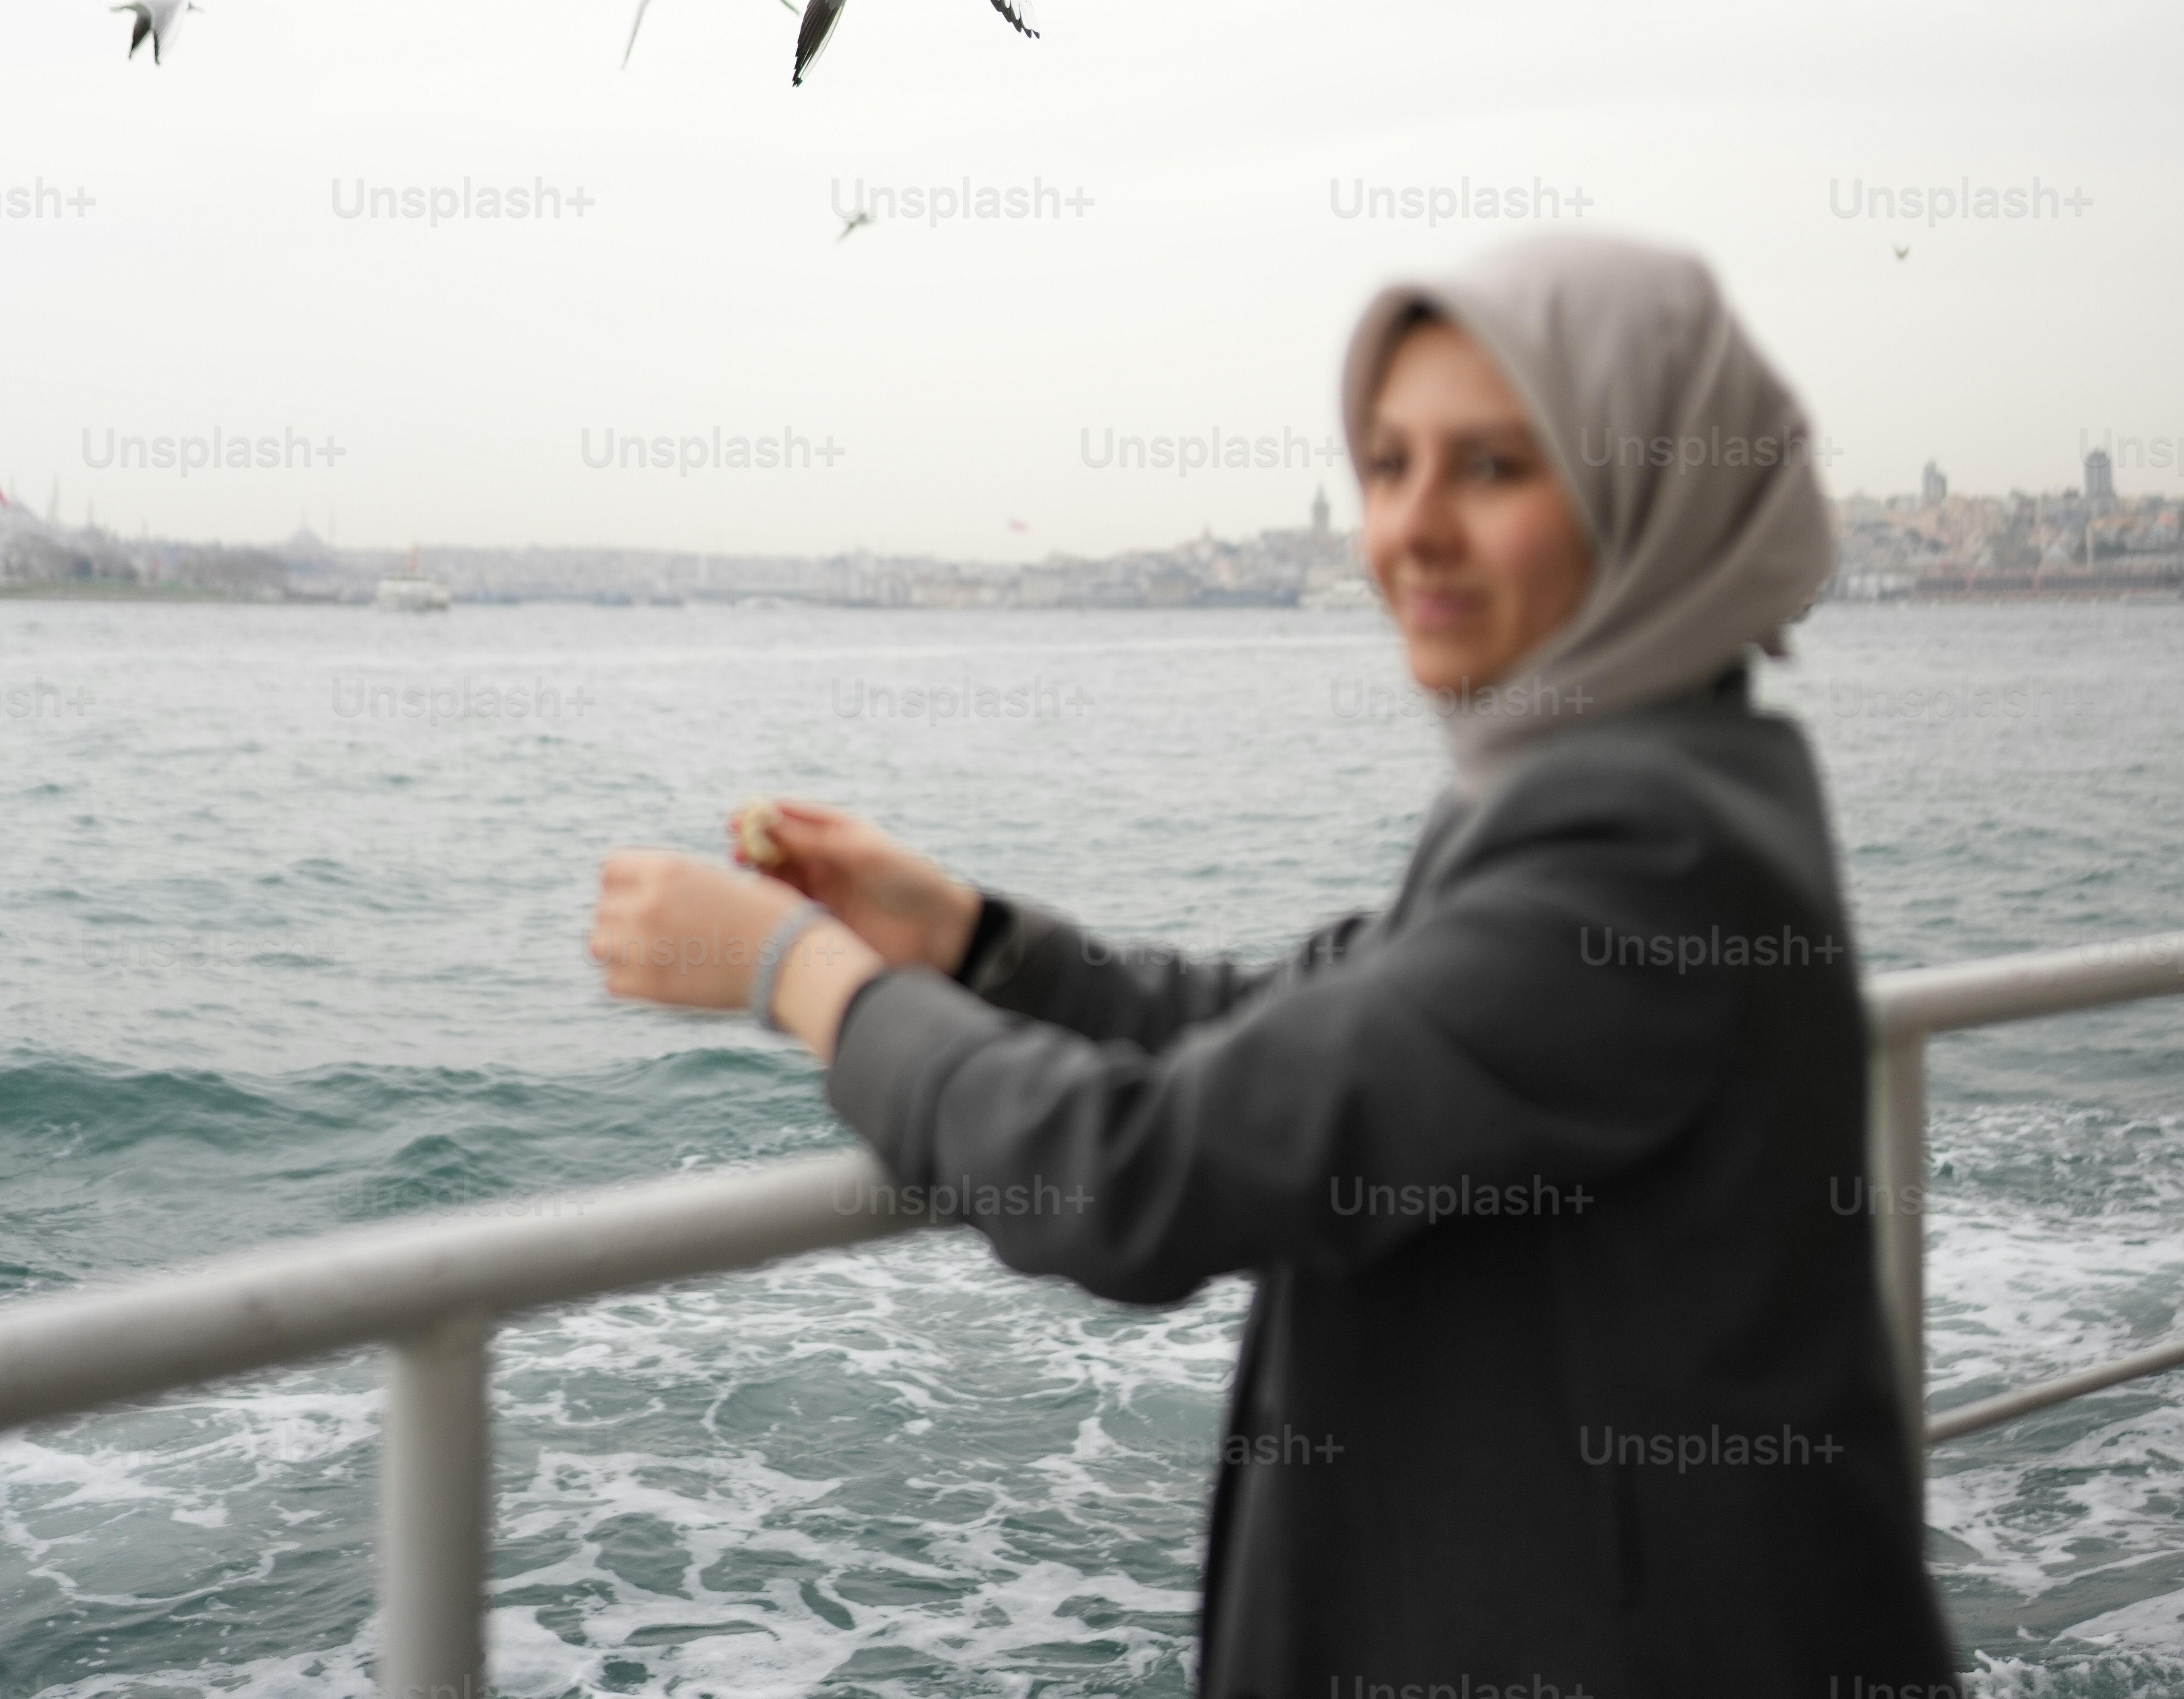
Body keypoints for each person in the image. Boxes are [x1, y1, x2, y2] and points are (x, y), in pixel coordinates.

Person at [591, 234, 1961, 1698]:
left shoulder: (1644, 854)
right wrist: (974, 938)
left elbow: (1137, 1179)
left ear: (1655, 500)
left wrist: (800, 975)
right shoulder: (1637, 785)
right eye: (1386, 465)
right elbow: (1295, 1026)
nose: (1408, 530)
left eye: (1492, 468)